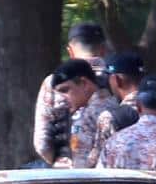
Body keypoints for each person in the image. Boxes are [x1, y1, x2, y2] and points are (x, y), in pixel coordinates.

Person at [33, 22, 113, 164]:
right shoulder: (119, 80)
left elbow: (42, 143)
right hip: (110, 174)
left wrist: (60, 161)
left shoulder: (52, 82)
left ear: (70, 51)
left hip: (67, 175)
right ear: (103, 49)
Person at [32, 59, 102, 166]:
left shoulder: (98, 114)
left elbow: (42, 144)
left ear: (84, 83)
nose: (62, 98)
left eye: (65, 90)